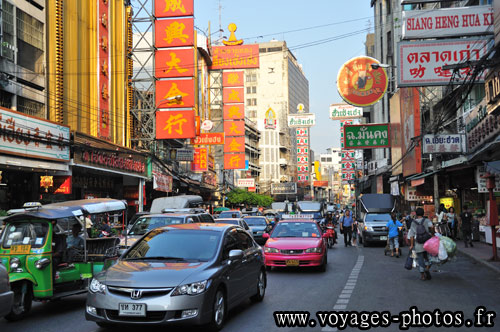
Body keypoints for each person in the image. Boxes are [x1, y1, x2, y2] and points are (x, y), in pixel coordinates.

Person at [409, 207, 434, 281]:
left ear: (416, 214)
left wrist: (411, 245)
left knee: (420, 260)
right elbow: (432, 227)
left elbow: (411, 235)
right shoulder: (427, 220)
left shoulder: (413, 222)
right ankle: (427, 268)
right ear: (423, 214)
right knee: (430, 258)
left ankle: (422, 275)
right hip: (427, 243)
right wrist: (432, 234)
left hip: (418, 243)